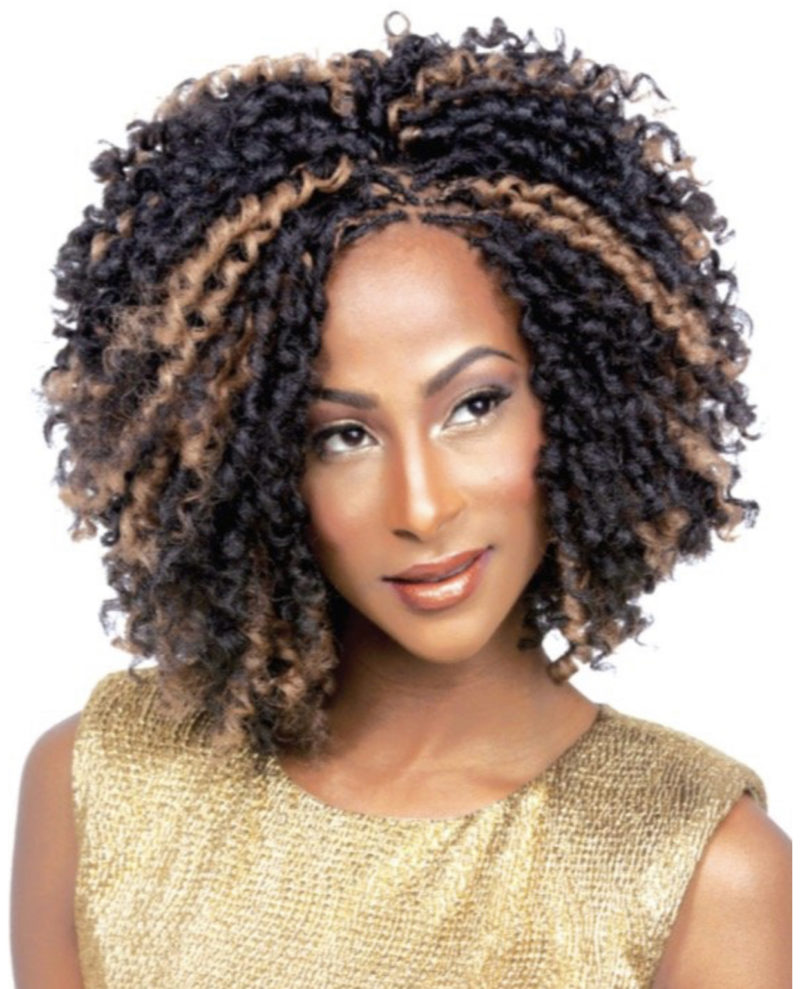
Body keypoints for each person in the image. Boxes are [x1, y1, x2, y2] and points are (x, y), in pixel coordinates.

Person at [11, 13, 790, 988]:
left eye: (473, 406)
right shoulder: (99, 784)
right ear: (249, 466)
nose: (421, 506)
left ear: (585, 398)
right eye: (341, 435)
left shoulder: (697, 864)